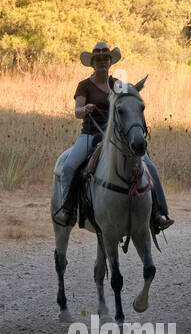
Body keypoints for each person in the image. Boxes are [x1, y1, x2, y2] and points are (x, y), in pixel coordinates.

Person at [55, 41, 173, 234]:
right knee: (69, 167)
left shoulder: (118, 86)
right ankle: (68, 210)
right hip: (91, 134)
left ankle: (159, 213)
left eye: (106, 58)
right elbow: (77, 111)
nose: (102, 61)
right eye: (98, 59)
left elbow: (129, 106)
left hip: (117, 137)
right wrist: (85, 109)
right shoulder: (84, 85)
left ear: (110, 62)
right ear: (92, 63)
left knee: (150, 167)